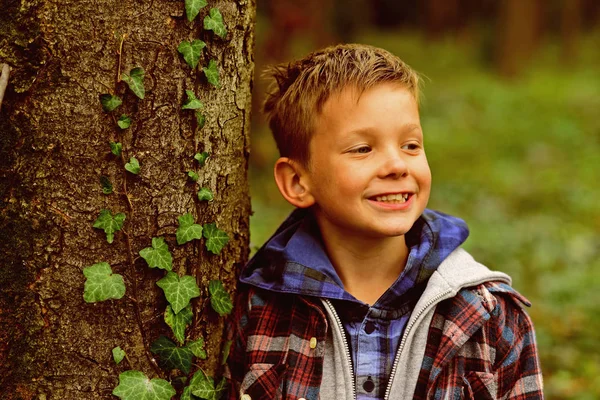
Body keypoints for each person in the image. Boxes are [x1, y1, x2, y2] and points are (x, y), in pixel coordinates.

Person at [224, 43, 543, 400]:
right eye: (363, 149)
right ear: (299, 182)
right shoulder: (257, 310)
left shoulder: (489, 315)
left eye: (410, 145)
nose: (397, 165)